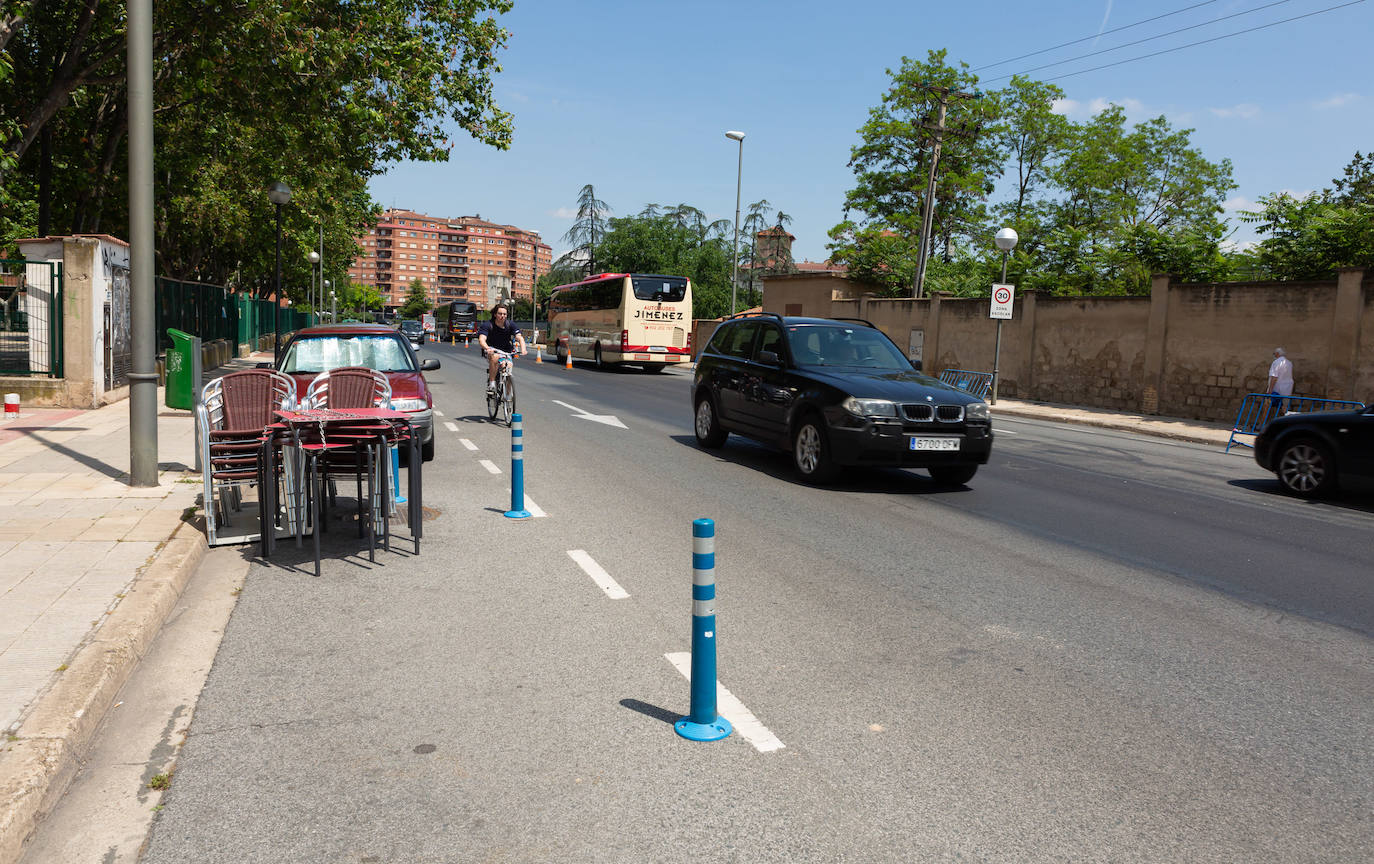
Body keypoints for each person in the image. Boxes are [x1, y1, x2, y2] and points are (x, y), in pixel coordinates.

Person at [476, 303, 527, 392]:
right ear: (495, 314)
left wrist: (523, 349)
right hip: (492, 349)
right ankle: (492, 383)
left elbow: (519, 337)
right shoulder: (488, 325)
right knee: (495, 357)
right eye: (500, 314)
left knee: (508, 368)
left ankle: (507, 396)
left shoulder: (510, 324)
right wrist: (487, 348)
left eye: (504, 314)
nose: (502, 316)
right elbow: (482, 340)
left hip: (506, 351)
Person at [1267, 347, 1294, 414]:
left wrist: (1270, 390)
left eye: (1274, 353)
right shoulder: (1289, 363)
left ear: (1277, 354)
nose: (1274, 355)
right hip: (1287, 389)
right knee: (1284, 407)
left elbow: (1274, 377)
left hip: (1277, 389)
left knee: (1267, 404)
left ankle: (1263, 422)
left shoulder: (1276, 362)